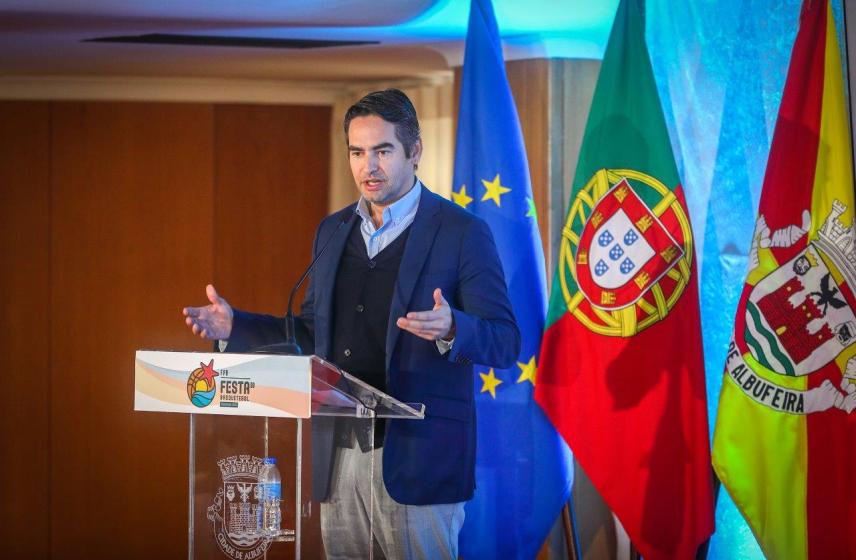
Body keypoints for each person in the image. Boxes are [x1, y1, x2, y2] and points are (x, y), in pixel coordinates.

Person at [183, 88, 520, 559]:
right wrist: (235, 327)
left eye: (383, 151)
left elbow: (505, 341)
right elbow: (309, 334)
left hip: (419, 461)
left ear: (414, 151)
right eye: (357, 153)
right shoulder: (334, 230)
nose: (369, 167)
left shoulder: (460, 231)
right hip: (339, 456)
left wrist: (452, 328)